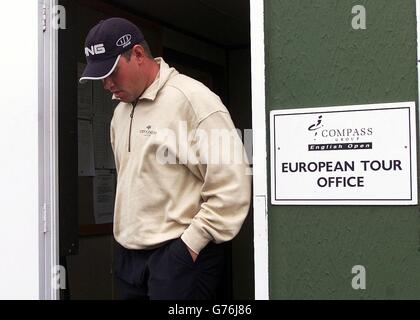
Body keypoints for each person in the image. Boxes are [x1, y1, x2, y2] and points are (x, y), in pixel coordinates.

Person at [79, 17, 251, 300]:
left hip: (178, 257)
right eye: (100, 77)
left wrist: (190, 246)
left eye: (112, 72)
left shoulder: (194, 99)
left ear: (137, 54)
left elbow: (233, 185)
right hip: (129, 258)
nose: (107, 84)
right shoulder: (120, 113)